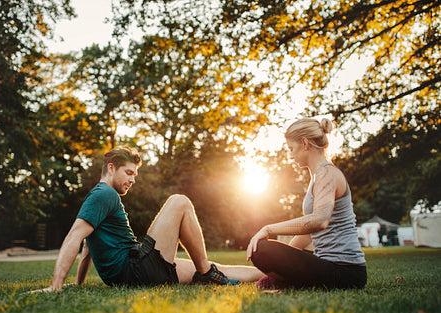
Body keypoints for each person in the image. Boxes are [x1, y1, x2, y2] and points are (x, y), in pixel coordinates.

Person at [32, 146, 263, 292]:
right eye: (129, 173)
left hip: (136, 270)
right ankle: (206, 273)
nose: (133, 180)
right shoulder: (105, 194)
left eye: (135, 174)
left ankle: (276, 274)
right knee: (179, 201)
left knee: (217, 268)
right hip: (136, 269)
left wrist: (79, 284)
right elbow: (75, 236)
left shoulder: (101, 198)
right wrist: (56, 286)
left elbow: (87, 247)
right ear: (111, 168)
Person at [246, 118, 367, 290]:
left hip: (347, 272)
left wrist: (268, 229)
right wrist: (284, 259)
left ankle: (287, 282)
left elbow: (319, 221)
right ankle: (288, 280)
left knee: (262, 249)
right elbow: (309, 233)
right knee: (266, 251)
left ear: (304, 143)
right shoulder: (317, 177)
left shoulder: (327, 174)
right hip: (328, 264)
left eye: (291, 149)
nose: (290, 155)